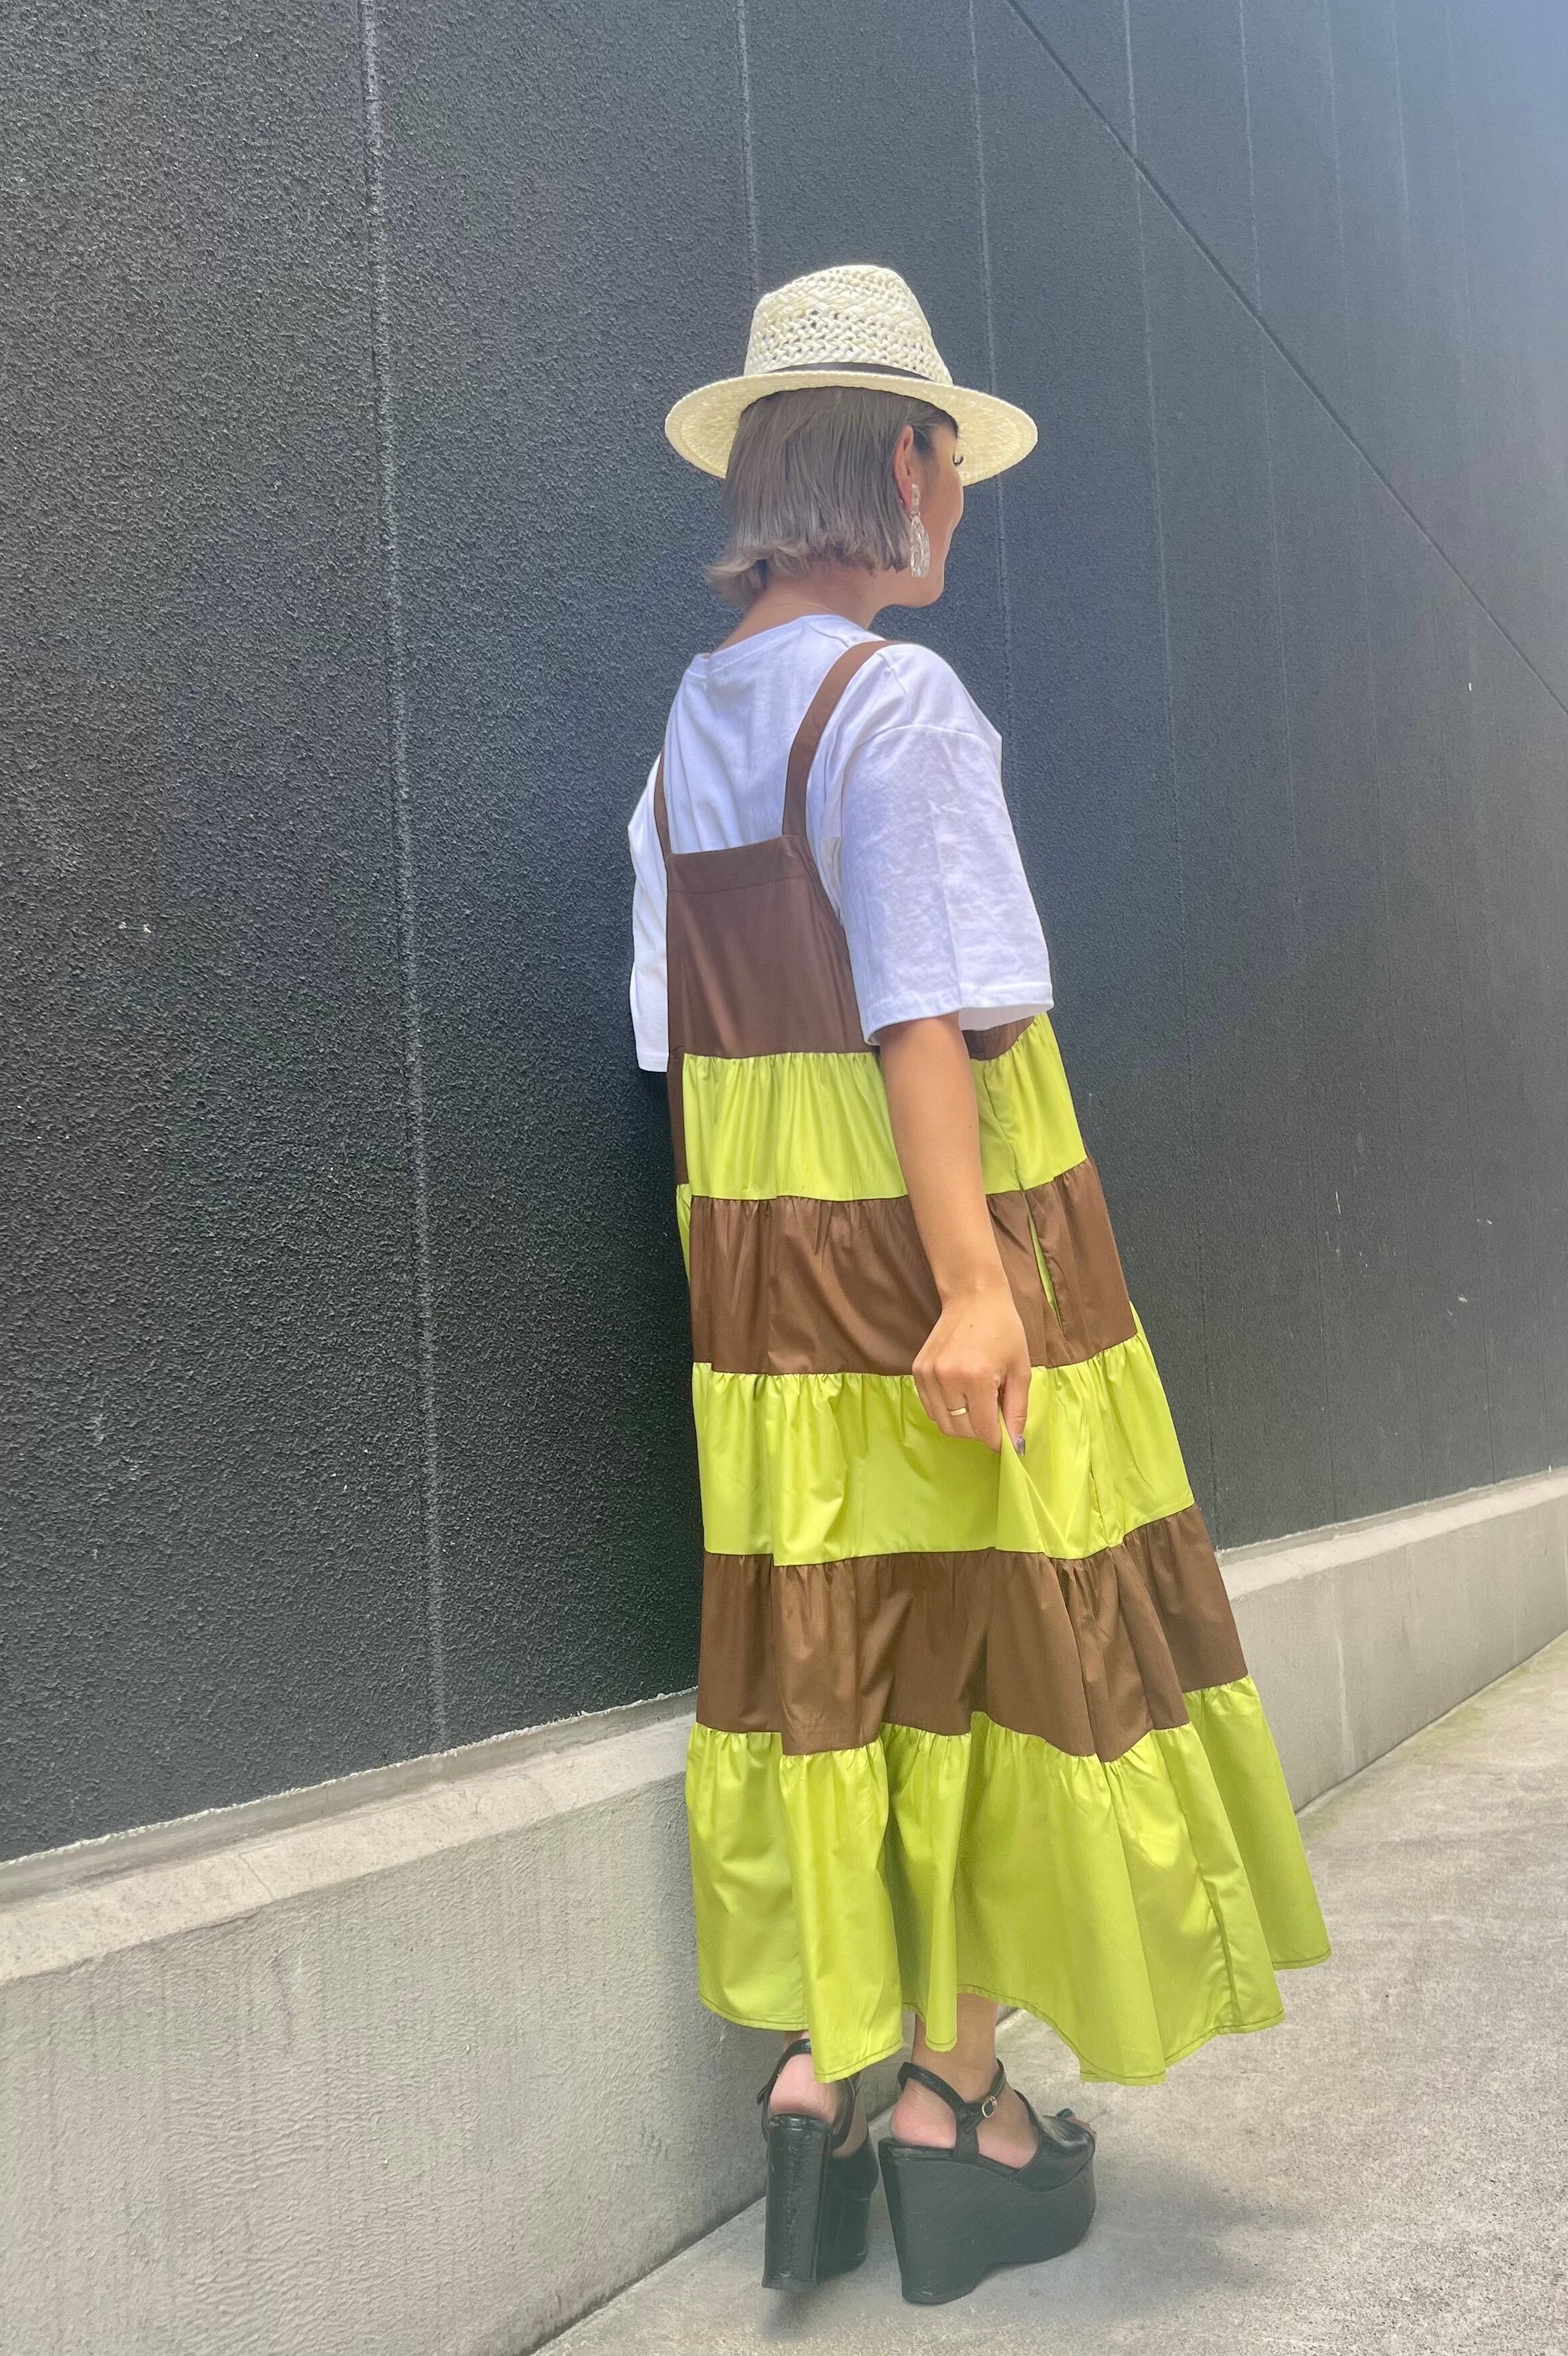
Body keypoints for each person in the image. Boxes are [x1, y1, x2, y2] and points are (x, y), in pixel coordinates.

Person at [626, 263, 1330, 2307]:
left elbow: (676, 1034)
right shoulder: (897, 703)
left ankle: (822, 2066)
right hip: (934, 1244)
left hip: (765, 1282)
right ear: (907, 463)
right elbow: (924, 1006)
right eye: (949, 468)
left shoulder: (692, 725)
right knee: (989, 1648)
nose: (955, 507)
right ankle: (955, 2096)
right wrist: (972, 1282)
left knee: (840, 1657)